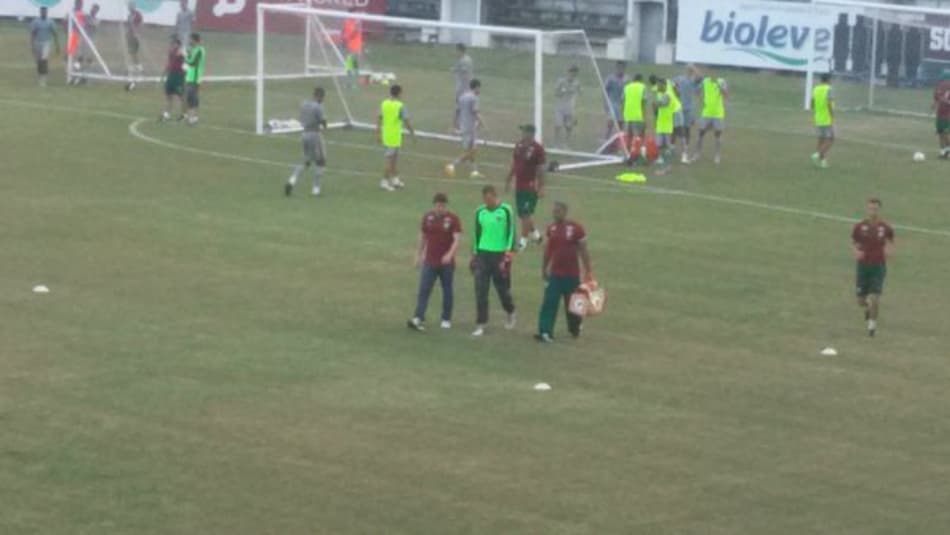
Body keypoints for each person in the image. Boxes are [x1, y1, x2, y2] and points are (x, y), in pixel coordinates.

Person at [536, 201, 592, 343]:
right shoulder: (552, 228)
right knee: (549, 302)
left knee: (574, 305)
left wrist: (588, 270)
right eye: (554, 211)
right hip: (555, 274)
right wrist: (544, 268)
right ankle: (545, 331)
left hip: (572, 274)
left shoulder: (576, 228)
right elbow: (548, 250)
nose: (556, 213)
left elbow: (583, 250)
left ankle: (575, 327)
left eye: (558, 211)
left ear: (565, 212)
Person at [408, 193, 462, 332]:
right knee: (424, 290)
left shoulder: (453, 219)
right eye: (438, 205)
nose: (440, 208)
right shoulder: (428, 218)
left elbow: (456, 240)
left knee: (447, 290)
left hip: (446, 263)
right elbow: (423, 237)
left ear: (446, 205)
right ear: (434, 205)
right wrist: (418, 255)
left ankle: (446, 318)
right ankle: (418, 317)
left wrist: (450, 255)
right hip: (430, 261)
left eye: (442, 206)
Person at [471, 185, 517, 337]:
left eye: (489, 198)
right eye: (484, 199)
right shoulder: (480, 211)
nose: (487, 201)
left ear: (495, 196)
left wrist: (508, 253)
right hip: (483, 255)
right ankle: (481, 323)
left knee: (502, 290)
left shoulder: (505, 210)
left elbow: (510, 232)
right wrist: (474, 253)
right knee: (481, 290)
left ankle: (510, 311)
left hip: (499, 256)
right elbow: (476, 233)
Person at [851, 198, 895, 337]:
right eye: (870, 208)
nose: (873, 211)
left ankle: (872, 326)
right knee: (860, 300)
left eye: (875, 209)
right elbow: (853, 241)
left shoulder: (885, 227)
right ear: (867, 209)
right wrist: (855, 251)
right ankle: (868, 309)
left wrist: (889, 250)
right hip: (863, 267)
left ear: (879, 210)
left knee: (875, 297)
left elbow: (891, 241)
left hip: (878, 267)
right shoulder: (859, 227)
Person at [505, 125, 547, 251]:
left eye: (524, 131)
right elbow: (515, 163)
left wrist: (541, 187)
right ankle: (536, 235)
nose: (522, 133)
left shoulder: (538, 149)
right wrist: (509, 178)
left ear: (531, 133)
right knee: (523, 214)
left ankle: (523, 242)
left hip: (530, 186)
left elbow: (540, 169)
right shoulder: (518, 146)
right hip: (519, 185)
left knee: (526, 213)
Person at [284, 87, 329, 197]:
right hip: (314, 135)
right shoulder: (318, 107)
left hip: (304, 134)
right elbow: (323, 122)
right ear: (320, 96)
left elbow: (301, 119)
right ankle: (316, 190)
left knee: (307, 161)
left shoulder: (304, 104)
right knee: (321, 162)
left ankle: (291, 180)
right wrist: (325, 127)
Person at [377, 84, 414, 191]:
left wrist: (378, 133)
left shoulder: (384, 103)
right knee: (390, 160)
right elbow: (406, 121)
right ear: (399, 93)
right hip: (393, 136)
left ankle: (394, 179)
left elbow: (379, 118)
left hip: (388, 134)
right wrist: (412, 132)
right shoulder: (400, 105)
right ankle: (384, 181)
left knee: (394, 159)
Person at [446, 79, 484, 180]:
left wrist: (454, 125)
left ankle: (474, 171)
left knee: (469, 150)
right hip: (470, 128)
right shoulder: (474, 98)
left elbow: (457, 111)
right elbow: (475, 112)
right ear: (476, 87)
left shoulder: (462, 97)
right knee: (473, 150)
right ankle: (452, 165)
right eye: (479, 88)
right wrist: (482, 122)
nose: (480, 90)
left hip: (463, 127)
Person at [693, 70, 728, 164]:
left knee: (718, 135)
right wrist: (701, 100)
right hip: (707, 113)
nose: (712, 75)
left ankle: (717, 155)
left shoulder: (722, 81)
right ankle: (697, 154)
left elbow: (726, 95)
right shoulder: (705, 81)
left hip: (718, 113)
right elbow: (697, 91)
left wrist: (720, 87)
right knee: (701, 133)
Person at [672, 64, 699, 159]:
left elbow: (700, 78)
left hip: (689, 109)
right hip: (678, 108)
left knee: (687, 129)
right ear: (685, 70)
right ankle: (672, 147)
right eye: (688, 69)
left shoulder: (693, 81)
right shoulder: (679, 78)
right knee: (675, 128)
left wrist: (695, 69)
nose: (689, 71)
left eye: (690, 70)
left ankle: (685, 149)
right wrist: (676, 92)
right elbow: (671, 85)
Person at [30, 7, 59, 87]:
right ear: (40, 12)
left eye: (45, 12)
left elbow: (54, 33)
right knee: (39, 61)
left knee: (44, 59)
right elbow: (33, 33)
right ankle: (40, 76)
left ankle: (44, 78)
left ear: (47, 12)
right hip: (38, 42)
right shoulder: (36, 22)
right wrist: (32, 45)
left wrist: (57, 45)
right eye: (42, 12)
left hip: (46, 43)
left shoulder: (50, 22)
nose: (44, 13)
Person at [553, 65, 581, 147]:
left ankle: (566, 144)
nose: (572, 75)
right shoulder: (561, 81)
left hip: (570, 108)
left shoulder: (577, 82)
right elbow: (556, 93)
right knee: (558, 125)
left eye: (575, 74)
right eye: (571, 73)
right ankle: (556, 143)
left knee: (569, 127)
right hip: (560, 107)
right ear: (568, 72)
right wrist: (563, 91)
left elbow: (580, 92)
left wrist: (578, 93)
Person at [811, 73, 835, 168]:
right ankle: (817, 154)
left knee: (821, 139)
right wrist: (832, 116)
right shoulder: (829, 89)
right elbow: (829, 103)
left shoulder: (816, 89)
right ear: (828, 80)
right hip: (827, 118)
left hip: (818, 117)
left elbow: (812, 104)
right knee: (831, 139)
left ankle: (822, 162)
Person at [161, 37, 186, 122]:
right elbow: (169, 63)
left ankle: (183, 114)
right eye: (172, 43)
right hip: (171, 76)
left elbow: (186, 60)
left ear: (178, 44)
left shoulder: (182, 51)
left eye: (174, 43)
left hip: (178, 76)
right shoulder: (170, 52)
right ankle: (167, 114)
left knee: (181, 96)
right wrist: (164, 74)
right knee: (169, 96)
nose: (172, 45)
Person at [653, 79, 675, 175]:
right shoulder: (660, 94)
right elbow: (656, 107)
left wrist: (656, 104)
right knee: (660, 146)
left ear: (664, 85)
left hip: (667, 124)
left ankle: (666, 167)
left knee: (666, 147)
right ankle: (666, 166)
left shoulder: (668, 94)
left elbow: (662, 104)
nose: (657, 87)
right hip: (660, 123)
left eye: (659, 85)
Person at [602, 61, 628, 143]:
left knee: (621, 124)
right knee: (610, 123)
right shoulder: (610, 78)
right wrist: (605, 103)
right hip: (612, 103)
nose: (620, 70)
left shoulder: (627, 79)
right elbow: (605, 90)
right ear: (616, 68)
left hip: (622, 104)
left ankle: (619, 142)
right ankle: (606, 140)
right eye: (619, 67)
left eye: (622, 68)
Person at [183, 33, 206, 126]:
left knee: (191, 98)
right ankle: (193, 117)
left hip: (195, 78)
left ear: (195, 40)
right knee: (192, 98)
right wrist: (188, 54)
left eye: (191, 39)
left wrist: (185, 56)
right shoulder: (194, 50)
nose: (189, 41)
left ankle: (192, 118)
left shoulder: (200, 50)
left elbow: (192, 63)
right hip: (190, 77)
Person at [452, 43, 474, 130]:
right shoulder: (466, 59)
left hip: (463, 87)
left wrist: (456, 69)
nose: (455, 52)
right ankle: (459, 124)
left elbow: (464, 72)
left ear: (460, 50)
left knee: (460, 106)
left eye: (457, 50)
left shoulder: (464, 60)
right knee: (462, 106)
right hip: (465, 86)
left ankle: (459, 125)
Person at [124, 0, 144, 89]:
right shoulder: (129, 16)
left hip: (135, 37)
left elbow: (140, 24)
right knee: (131, 53)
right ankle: (134, 69)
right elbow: (129, 25)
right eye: (129, 6)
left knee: (134, 53)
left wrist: (137, 33)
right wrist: (127, 33)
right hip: (130, 36)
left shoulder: (137, 14)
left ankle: (139, 69)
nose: (129, 8)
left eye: (130, 6)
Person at [341, 8, 362, 89]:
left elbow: (355, 32)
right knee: (349, 66)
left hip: (356, 47)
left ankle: (355, 83)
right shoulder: (346, 22)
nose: (354, 16)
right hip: (349, 47)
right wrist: (343, 38)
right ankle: (349, 83)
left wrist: (347, 37)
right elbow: (343, 32)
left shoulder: (357, 23)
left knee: (355, 65)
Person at [623, 74, 648, 140]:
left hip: (627, 116)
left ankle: (628, 150)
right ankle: (640, 150)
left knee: (629, 137)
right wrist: (644, 118)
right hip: (638, 116)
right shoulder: (642, 87)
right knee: (640, 136)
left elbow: (622, 101)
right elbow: (643, 104)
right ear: (641, 80)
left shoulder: (627, 87)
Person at [66, 0, 85, 85]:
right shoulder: (72, 12)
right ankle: (70, 75)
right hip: (74, 35)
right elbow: (65, 22)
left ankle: (76, 73)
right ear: (76, 3)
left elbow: (84, 24)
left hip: (80, 35)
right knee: (71, 55)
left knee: (80, 56)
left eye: (82, 3)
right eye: (80, 3)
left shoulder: (82, 13)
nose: (81, 5)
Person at [932, 70, 950, 159]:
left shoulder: (943, 86)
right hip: (940, 113)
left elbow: (941, 98)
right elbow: (936, 97)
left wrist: (945, 101)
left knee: (945, 132)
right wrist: (934, 104)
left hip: (947, 113)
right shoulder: (939, 86)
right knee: (940, 132)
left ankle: (948, 149)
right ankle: (943, 151)